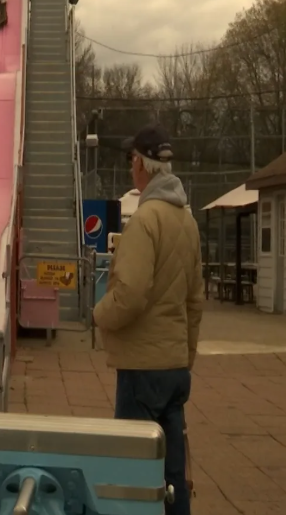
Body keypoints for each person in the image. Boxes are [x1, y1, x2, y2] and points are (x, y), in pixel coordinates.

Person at [93, 123, 204, 515]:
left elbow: (130, 294)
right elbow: (195, 300)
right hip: (174, 368)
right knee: (173, 476)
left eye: (131, 160)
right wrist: (184, 355)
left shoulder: (144, 222)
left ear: (141, 164)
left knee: (133, 476)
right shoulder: (187, 222)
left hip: (141, 369)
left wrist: (98, 315)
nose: (130, 168)